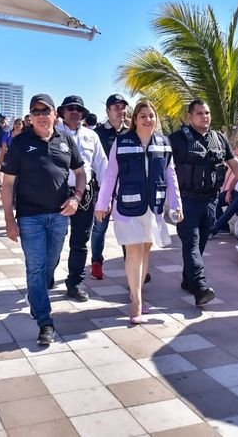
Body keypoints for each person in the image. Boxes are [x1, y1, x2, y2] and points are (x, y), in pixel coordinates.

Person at [1, 93, 86, 345]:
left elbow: (81, 173)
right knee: (36, 267)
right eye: (35, 112)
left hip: (60, 215)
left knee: (50, 263)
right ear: (30, 116)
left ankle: (36, 292)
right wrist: (9, 219)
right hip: (30, 217)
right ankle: (45, 321)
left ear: (54, 115)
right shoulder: (20, 143)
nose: (40, 116)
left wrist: (76, 198)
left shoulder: (66, 140)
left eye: (45, 111)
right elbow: (8, 183)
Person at [96, 101, 182, 323]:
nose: (147, 119)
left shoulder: (163, 143)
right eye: (142, 116)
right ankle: (136, 301)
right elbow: (110, 174)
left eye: (151, 115)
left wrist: (176, 204)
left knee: (145, 250)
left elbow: (170, 174)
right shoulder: (122, 141)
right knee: (133, 251)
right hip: (127, 207)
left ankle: (139, 294)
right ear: (135, 119)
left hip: (153, 207)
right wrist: (102, 204)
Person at [169, 100, 238, 306]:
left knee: (200, 243)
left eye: (207, 113)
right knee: (191, 242)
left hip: (210, 200)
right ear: (190, 116)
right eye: (199, 113)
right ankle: (200, 287)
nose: (205, 117)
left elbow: (234, 163)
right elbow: (164, 167)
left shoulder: (219, 138)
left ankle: (188, 279)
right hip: (186, 200)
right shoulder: (176, 139)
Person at [56, 95, 108, 302]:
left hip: (84, 195)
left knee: (80, 241)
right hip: (56, 193)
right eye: (70, 108)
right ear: (62, 112)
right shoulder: (53, 133)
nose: (74, 112)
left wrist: (106, 196)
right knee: (55, 238)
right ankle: (47, 272)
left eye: (78, 109)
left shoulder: (91, 136)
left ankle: (75, 283)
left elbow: (101, 166)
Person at [91, 93, 130, 280]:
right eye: (116, 108)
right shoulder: (98, 134)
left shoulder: (131, 133)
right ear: (108, 111)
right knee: (100, 228)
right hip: (103, 190)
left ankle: (131, 263)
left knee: (127, 228)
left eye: (123, 107)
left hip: (126, 190)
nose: (121, 111)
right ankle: (96, 262)